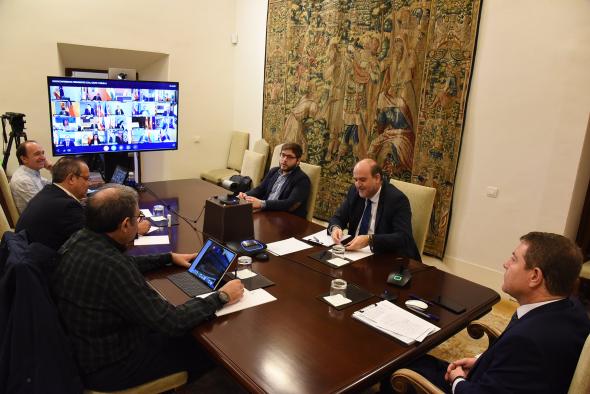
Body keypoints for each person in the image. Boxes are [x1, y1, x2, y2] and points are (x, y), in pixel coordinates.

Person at [51, 184, 245, 391]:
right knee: (208, 348)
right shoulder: (114, 267)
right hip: (110, 368)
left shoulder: (79, 239)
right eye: (138, 217)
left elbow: (121, 264)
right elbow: (172, 322)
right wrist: (221, 296)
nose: (140, 221)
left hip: (84, 351)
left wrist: (168, 257)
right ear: (126, 224)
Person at [405, 232, 590, 394]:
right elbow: (520, 371)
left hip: (474, 387)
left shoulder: (527, 341)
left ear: (535, 276)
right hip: (501, 379)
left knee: (399, 372)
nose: (505, 264)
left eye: (514, 259)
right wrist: (481, 361)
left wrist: (457, 380)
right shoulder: (574, 309)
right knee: (416, 360)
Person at [328, 158, 420, 260]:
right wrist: (335, 228)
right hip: (354, 254)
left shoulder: (397, 199)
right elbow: (338, 217)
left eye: (362, 180)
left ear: (377, 178)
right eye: (355, 180)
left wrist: (370, 240)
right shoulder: (355, 192)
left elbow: (403, 237)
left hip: (386, 258)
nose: (358, 185)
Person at [15, 157, 89, 250]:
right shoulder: (67, 206)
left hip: (23, 254)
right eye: (86, 178)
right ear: (71, 178)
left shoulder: (48, 191)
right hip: (39, 262)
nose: (88, 183)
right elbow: (87, 243)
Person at [238, 142, 311, 218]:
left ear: (298, 160)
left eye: (289, 157)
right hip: (267, 212)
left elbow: (289, 204)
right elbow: (260, 189)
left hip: (287, 219)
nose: (284, 159)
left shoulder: (302, 180)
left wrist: (261, 203)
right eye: (283, 155)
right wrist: (246, 195)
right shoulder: (274, 171)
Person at [9, 141, 53, 212]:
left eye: (43, 153)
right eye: (37, 154)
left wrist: (52, 169)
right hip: (40, 221)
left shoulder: (31, 173)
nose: (43, 158)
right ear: (24, 159)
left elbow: (52, 187)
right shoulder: (23, 180)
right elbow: (44, 208)